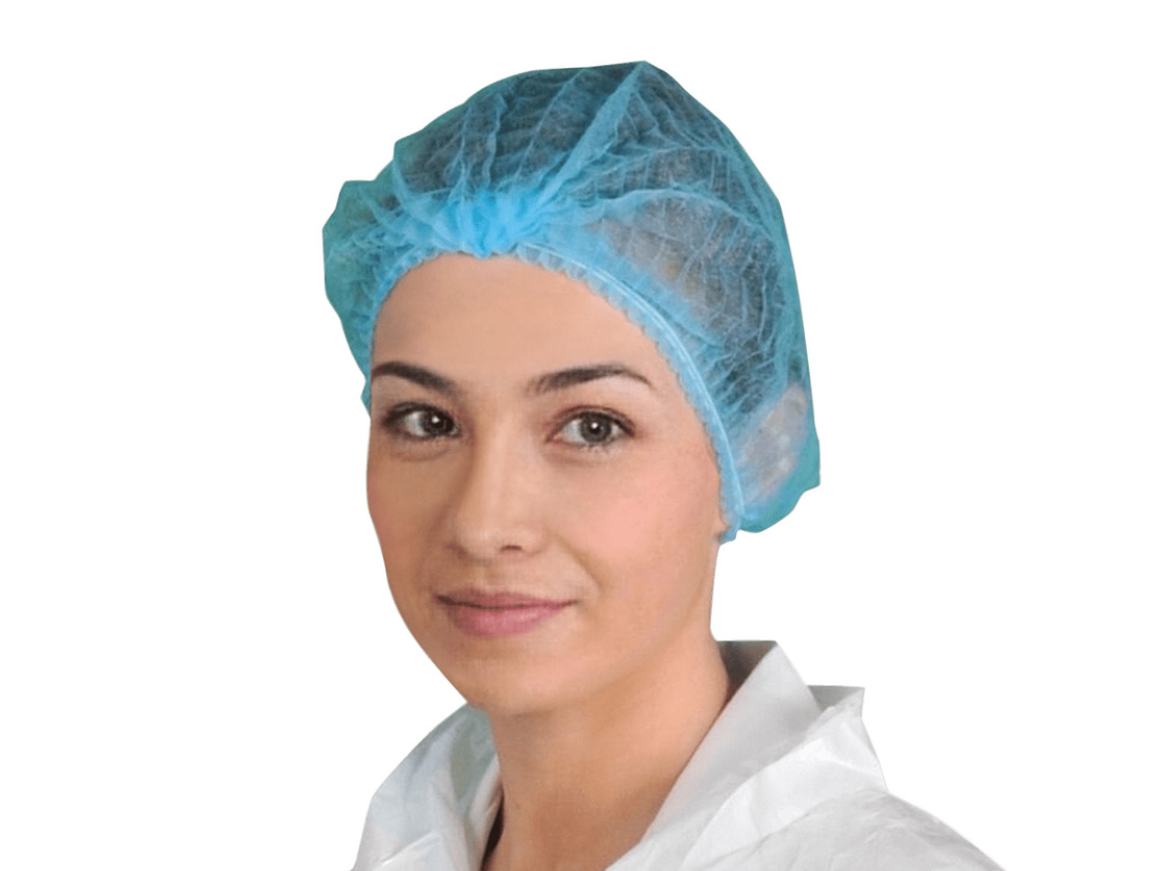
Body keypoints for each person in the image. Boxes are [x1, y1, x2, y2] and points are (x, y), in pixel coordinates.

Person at [323, 61, 1001, 871]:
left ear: (756, 450)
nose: (482, 521)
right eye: (426, 420)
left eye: (591, 427)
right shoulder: (419, 824)